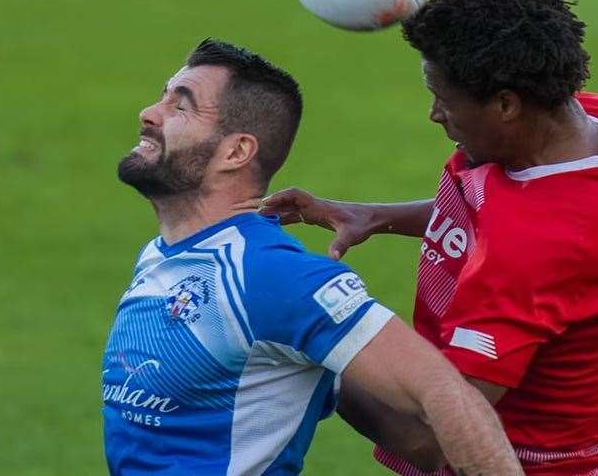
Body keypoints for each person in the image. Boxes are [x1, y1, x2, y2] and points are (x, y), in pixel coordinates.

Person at [261, 0, 598, 475]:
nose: (435, 114)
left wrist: (321, 350)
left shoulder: (532, 251)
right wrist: (372, 216)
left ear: (505, 104)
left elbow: (431, 438)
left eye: (444, 97)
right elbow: (510, 216)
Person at [102, 38, 521, 476]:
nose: (150, 114)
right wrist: (325, 371)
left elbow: (441, 392)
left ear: (236, 152)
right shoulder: (162, 255)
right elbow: (420, 446)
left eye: (181, 107)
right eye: (163, 97)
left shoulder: (270, 275)